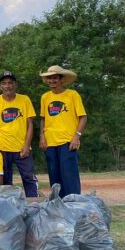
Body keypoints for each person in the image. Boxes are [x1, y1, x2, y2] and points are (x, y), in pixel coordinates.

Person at [39, 65, 87, 197]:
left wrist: (77, 136)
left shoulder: (72, 95)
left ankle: (73, 204)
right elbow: (43, 119)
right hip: (50, 142)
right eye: (49, 78)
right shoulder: (45, 97)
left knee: (69, 174)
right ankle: (58, 205)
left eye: (54, 78)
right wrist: (42, 136)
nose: (52, 81)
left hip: (67, 141)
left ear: (61, 80)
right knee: (54, 176)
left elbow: (83, 117)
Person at [0, 71, 39, 197]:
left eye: (10, 83)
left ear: (15, 85)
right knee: (5, 181)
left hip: (21, 148)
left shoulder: (24, 99)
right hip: (2, 148)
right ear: (0, 86)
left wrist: (27, 145)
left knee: (28, 177)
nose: (7, 86)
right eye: (4, 83)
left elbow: (30, 125)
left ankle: (33, 204)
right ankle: (8, 206)